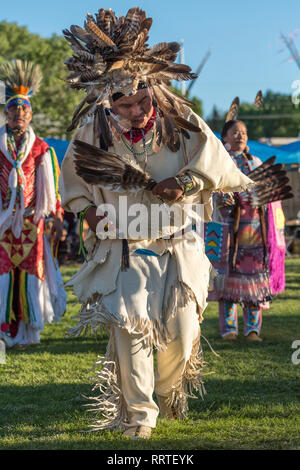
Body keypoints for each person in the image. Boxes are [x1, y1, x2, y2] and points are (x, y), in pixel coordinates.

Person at [59, 7, 254, 439]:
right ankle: (139, 417)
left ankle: (166, 394)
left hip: (177, 243)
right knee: (131, 330)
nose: (135, 111)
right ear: (108, 100)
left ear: (154, 88)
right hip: (125, 244)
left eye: (142, 100)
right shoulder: (93, 132)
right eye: (124, 104)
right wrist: (89, 213)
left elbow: (218, 163)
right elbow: (72, 184)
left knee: (182, 336)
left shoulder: (179, 121)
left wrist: (183, 183)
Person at [0, 60, 66, 349]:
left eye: (24, 109)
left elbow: (52, 191)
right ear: (5, 112)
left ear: (31, 114)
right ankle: (5, 330)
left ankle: (28, 331)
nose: (19, 113)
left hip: (30, 223)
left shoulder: (41, 149)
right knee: (2, 274)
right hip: (2, 221)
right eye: (14, 108)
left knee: (29, 276)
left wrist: (56, 217)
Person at [213, 117, 286, 341]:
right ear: (224, 137)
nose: (241, 136)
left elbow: (271, 194)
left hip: (255, 232)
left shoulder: (255, 162)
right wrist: (222, 198)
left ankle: (253, 329)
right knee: (227, 281)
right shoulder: (219, 163)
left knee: (255, 281)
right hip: (226, 231)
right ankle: (229, 329)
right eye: (235, 132)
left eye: (243, 132)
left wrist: (264, 199)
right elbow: (210, 191)